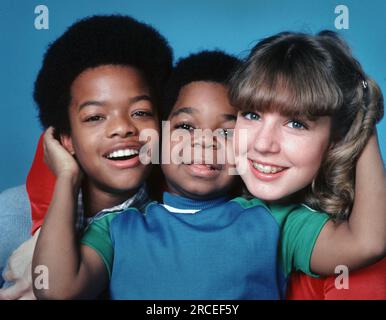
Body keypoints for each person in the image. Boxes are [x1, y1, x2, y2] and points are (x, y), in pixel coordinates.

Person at [33, 50, 243, 299]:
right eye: (186, 127)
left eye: (141, 112)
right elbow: (56, 290)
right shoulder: (117, 228)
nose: (205, 142)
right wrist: (67, 176)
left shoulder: (270, 218)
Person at [0, 14, 173, 299]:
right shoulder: (12, 215)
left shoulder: (178, 219)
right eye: (94, 117)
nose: (122, 128)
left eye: (141, 112)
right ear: (65, 139)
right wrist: (66, 178)